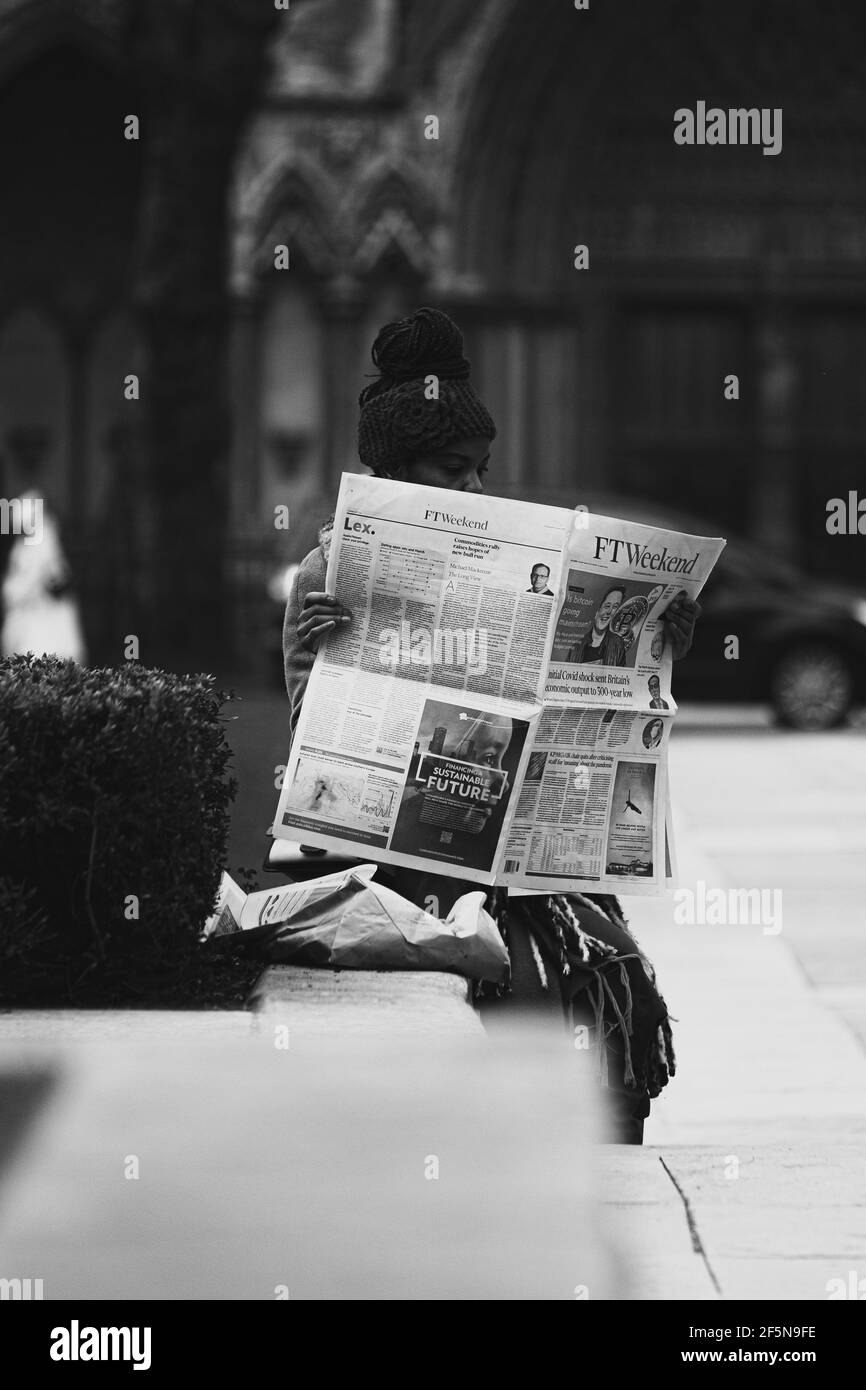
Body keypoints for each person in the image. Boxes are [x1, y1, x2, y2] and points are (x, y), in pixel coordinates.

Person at [283, 306, 702, 1143]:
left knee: (604, 972)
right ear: (396, 475)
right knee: (505, 978)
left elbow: (580, 699)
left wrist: (654, 646)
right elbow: (311, 754)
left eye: (483, 469)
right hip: (399, 862)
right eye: (453, 469)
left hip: (526, 857)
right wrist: (313, 656)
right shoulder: (326, 574)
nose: (476, 487)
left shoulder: (528, 566)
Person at [565, 584, 628, 666]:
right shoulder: (576, 648)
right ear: (597, 610)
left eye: (615, 607)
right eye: (607, 606)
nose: (609, 611)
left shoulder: (618, 644)